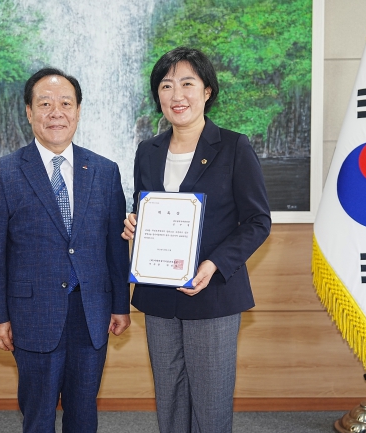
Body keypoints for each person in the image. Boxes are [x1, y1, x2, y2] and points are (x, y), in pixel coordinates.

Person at [122, 47, 271, 433]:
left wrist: (215, 264)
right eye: (166, 85)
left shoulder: (234, 146)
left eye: (187, 83)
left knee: (211, 401)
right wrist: (134, 225)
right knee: (169, 399)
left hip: (213, 293)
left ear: (207, 91)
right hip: (158, 295)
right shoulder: (147, 151)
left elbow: (258, 221)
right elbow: (145, 208)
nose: (177, 95)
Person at [0, 67, 131, 433]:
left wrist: (120, 305)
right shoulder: (1, 174)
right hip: (32, 314)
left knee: (84, 412)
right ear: (29, 112)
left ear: (78, 111)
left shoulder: (105, 171)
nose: (56, 112)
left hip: (92, 312)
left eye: (66, 103)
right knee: (39, 414)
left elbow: (114, 246)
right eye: (45, 104)